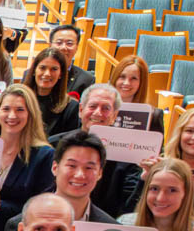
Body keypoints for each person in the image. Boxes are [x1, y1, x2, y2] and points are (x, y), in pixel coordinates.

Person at [0, 85, 56, 231]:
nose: (12, 115)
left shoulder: (44, 156)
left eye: (20, 110)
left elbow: (39, 210)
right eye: (6, 109)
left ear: (30, 114)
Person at [48, 83, 141, 217]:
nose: (98, 113)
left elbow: (128, 208)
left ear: (115, 116)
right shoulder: (54, 145)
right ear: (81, 110)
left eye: (106, 108)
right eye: (92, 106)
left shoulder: (127, 155)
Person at [22, 47, 82, 138]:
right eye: (42, 68)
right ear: (34, 70)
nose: (47, 74)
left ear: (60, 74)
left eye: (54, 69)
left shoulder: (71, 107)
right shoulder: (19, 100)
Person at [109, 55, 164, 133]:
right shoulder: (100, 110)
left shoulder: (154, 116)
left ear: (141, 83)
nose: (126, 83)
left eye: (134, 78)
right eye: (122, 76)